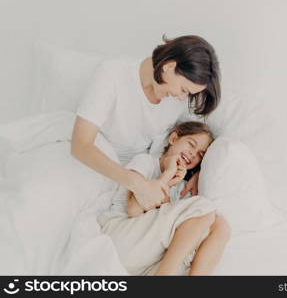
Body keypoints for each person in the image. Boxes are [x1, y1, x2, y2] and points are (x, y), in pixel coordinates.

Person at [71, 34, 221, 211]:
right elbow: (80, 145)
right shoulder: (113, 74)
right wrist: (136, 183)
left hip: (138, 174)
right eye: (183, 89)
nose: (182, 97)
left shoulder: (176, 101)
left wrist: (198, 173)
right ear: (169, 65)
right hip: (97, 162)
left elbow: (194, 141)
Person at [97, 122, 231, 275]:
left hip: (145, 260)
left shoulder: (181, 187)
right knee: (204, 207)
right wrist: (166, 175)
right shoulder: (145, 162)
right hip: (122, 237)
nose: (193, 154)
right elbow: (134, 209)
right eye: (191, 145)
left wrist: (193, 176)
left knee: (221, 226)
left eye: (200, 155)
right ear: (173, 139)